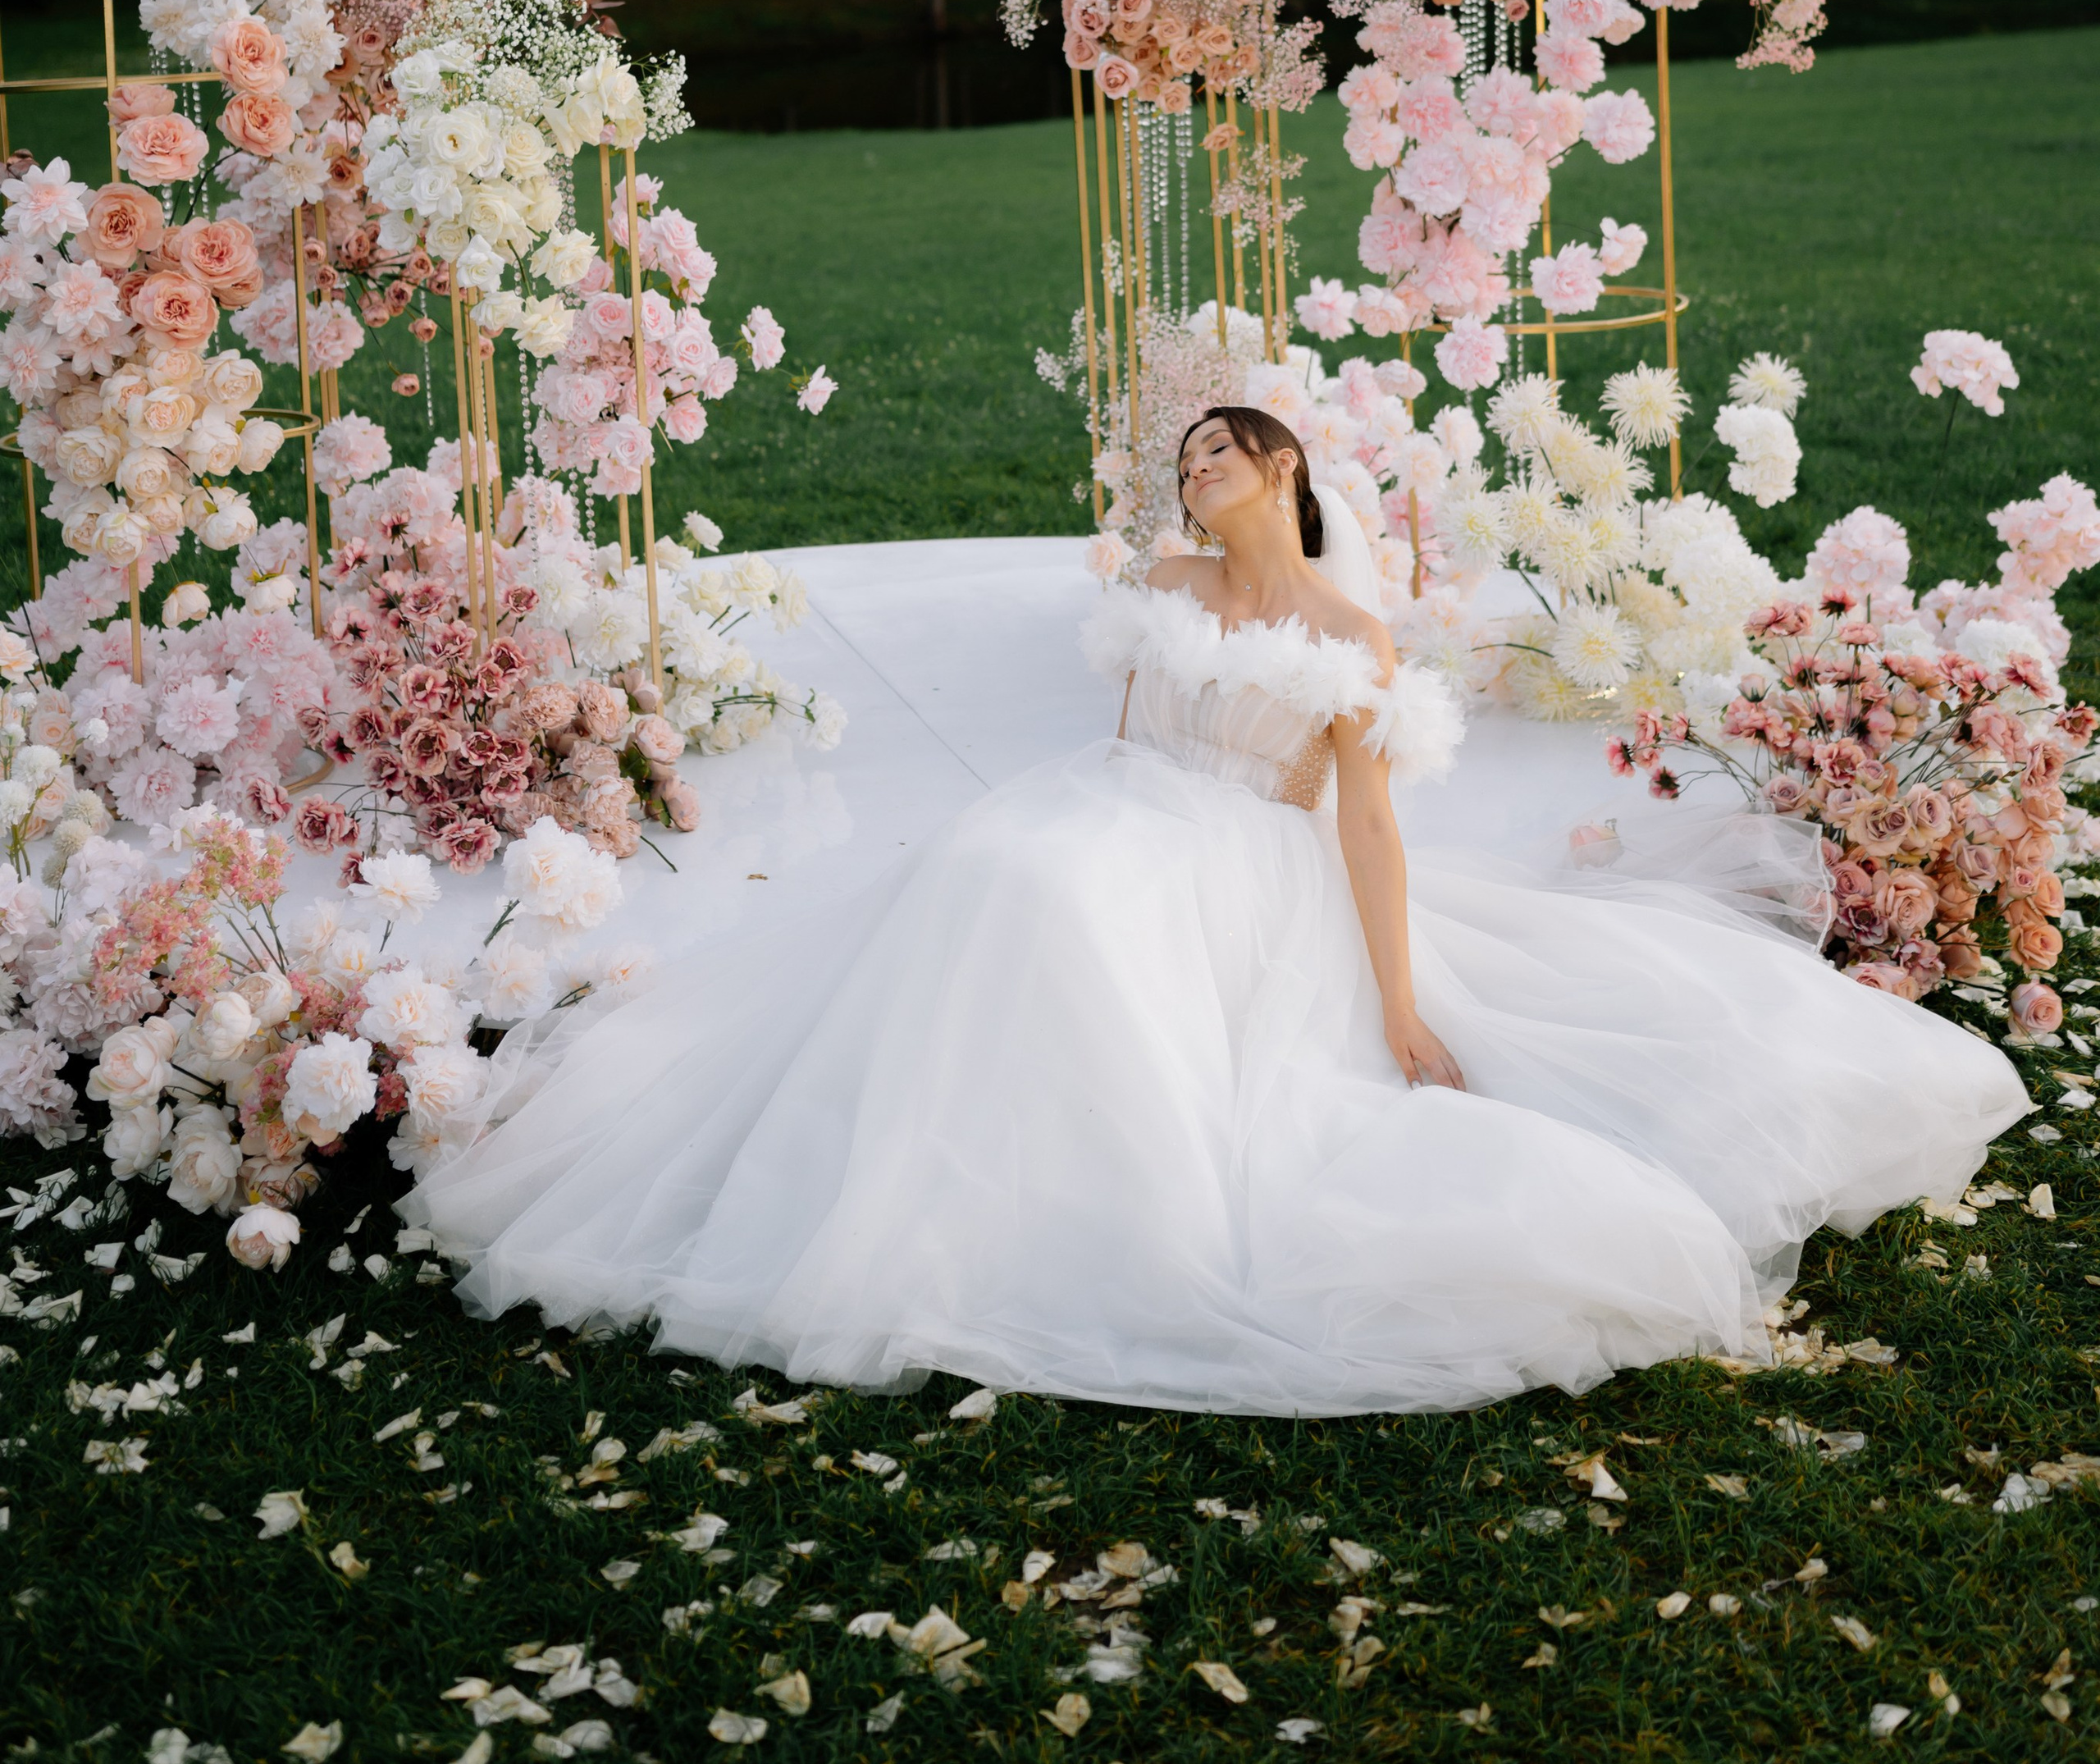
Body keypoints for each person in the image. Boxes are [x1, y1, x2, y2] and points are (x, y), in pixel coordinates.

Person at [404, 404, 2026, 1416]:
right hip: (1101, 811)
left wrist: (1394, 1006)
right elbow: (1119, 728)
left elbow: (1370, 826)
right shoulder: (1165, 590)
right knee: (1003, 869)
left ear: (1284, 466)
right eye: (1184, 458)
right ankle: (919, 1168)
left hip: (1238, 860)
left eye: (1220, 451)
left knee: (1055, 894)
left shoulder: (1351, 632)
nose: (1197, 473)